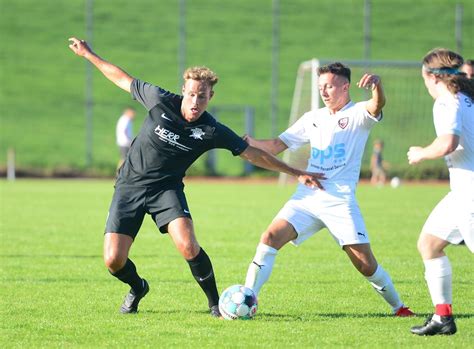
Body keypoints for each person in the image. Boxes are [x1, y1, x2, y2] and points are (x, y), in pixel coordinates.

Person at [68, 37, 324, 317]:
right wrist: (88, 54)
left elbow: (253, 154)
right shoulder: (159, 100)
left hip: (166, 190)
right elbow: (121, 78)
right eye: (191, 94)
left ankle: (216, 305)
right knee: (113, 260)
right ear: (184, 91)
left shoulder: (211, 129)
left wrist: (295, 172)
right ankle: (138, 287)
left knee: (188, 244)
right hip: (129, 186)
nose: (195, 101)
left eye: (202, 96)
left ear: (209, 97)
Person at [244, 62, 414, 317]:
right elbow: (277, 145)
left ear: (345, 87)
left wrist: (377, 85)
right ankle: (247, 299)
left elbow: (377, 105)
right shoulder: (313, 118)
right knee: (269, 238)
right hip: (307, 196)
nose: (324, 92)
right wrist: (245, 143)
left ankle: (398, 307)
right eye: (321, 86)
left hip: (339, 200)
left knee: (366, 265)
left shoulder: (358, 114)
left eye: (330, 86)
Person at [407, 48, 474, 336]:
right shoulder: (466, 99)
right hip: (460, 191)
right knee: (429, 244)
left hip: (470, 191)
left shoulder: (447, 103)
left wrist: (422, 153)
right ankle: (442, 317)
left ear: (433, 77)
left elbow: (448, 142)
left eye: (424, 77)